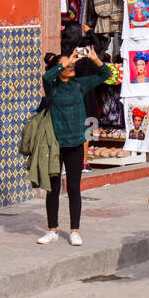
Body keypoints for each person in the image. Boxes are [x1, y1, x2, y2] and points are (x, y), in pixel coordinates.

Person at [35, 44, 110, 247]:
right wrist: (66, 60)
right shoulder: (53, 86)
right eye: (66, 65)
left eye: (72, 63)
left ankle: (75, 230)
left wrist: (94, 58)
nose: (71, 66)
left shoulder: (79, 84)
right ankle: (52, 230)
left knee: (74, 187)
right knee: (53, 188)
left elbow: (105, 73)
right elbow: (46, 78)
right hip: (55, 144)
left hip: (75, 143)